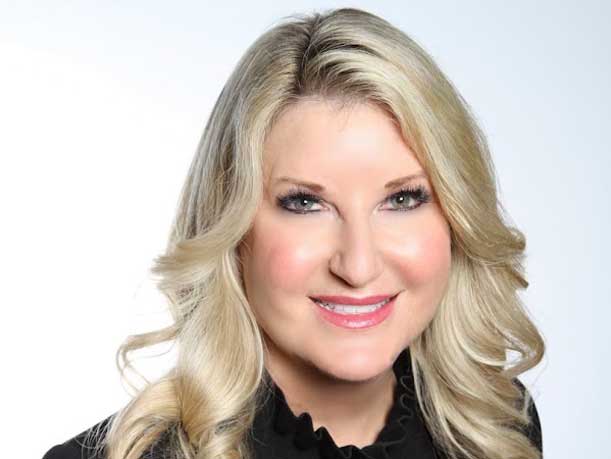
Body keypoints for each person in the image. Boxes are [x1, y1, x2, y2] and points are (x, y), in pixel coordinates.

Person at [42, 7, 544, 459]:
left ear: (457, 218)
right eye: (305, 203)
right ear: (232, 228)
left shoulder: (494, 426)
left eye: (402, 200)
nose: (358, 265)